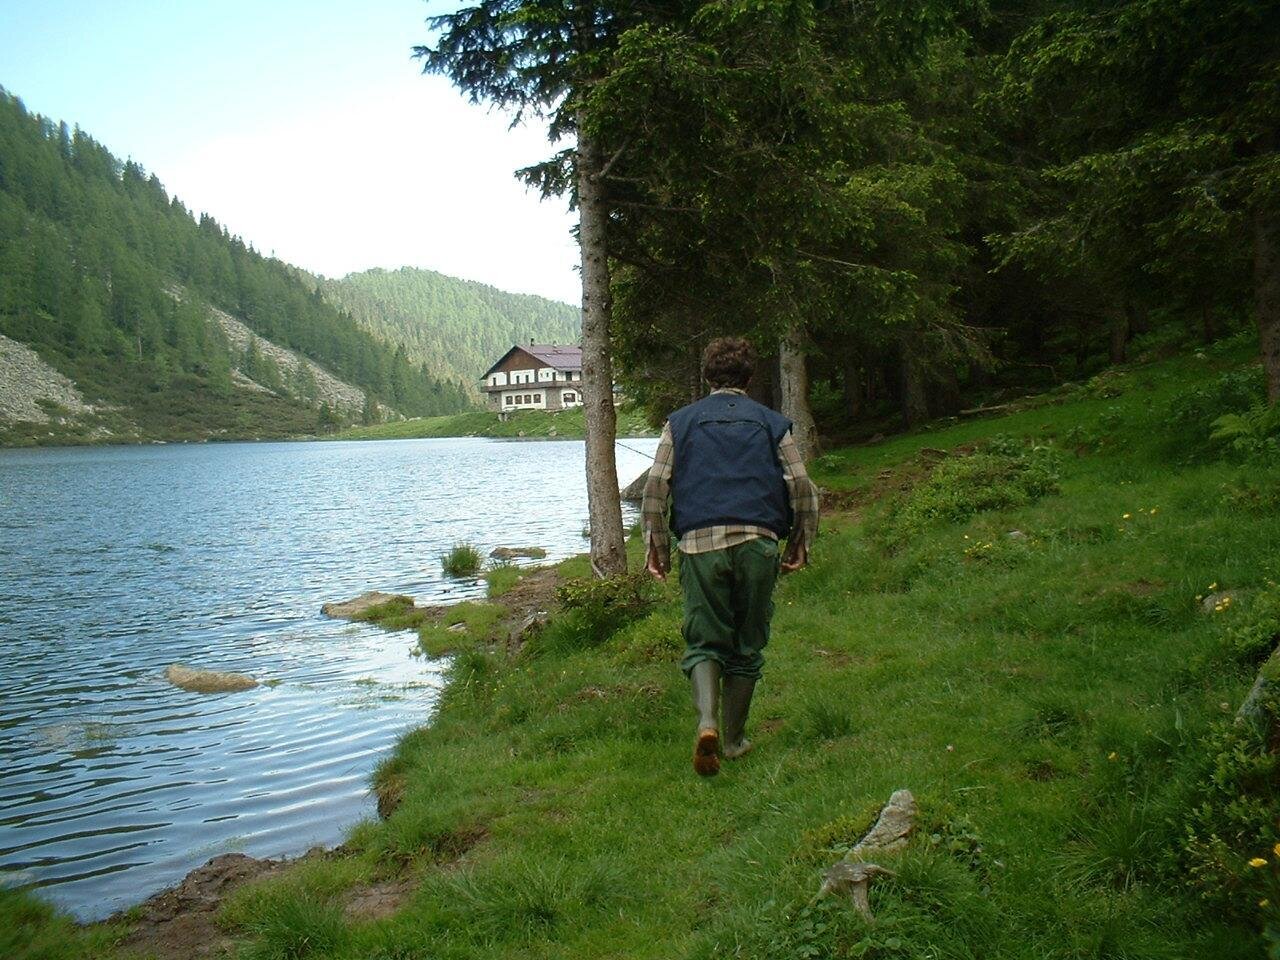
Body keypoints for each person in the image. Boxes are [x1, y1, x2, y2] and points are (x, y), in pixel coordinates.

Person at [641, 337, 819, 776]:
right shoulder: (773, 423)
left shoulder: (679, 423)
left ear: (707, 376)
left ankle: (706, 723)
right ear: (749, 377)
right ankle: (735, 740)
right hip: (759, 541)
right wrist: (800, 542)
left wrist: (657, 549)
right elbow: (801, 487)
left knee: (704, 640)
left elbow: (655, 488)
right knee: (747, 644)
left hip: (699, 545)